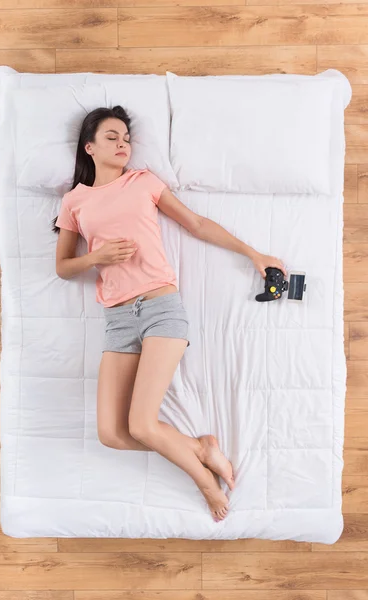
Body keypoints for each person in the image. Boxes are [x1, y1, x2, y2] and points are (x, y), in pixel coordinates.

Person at [52, 105, 287, 523]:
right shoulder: (74, 201)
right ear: (89, 147)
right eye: (111, 137)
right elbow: (63, 268)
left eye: (126, 137)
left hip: (161, 309)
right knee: (112, 435)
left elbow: (195, 224)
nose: (122, 144)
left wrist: (254, 253)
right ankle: (200, 446)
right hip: (118, 319)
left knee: (141, 426)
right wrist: (97, 257)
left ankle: (202, 477)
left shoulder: (144, 183)